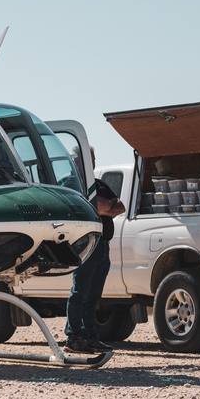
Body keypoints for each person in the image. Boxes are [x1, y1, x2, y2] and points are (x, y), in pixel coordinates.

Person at [64, 148, 125, 354]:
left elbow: (119, 206)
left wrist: (105, 205)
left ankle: (90, 337)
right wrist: (103, 205)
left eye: (93, 159)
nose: (92, 163)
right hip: (85, 244)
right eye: (87, 160)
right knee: (80, 292)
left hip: (103, 245)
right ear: (75, 160)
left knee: (93, 295)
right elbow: (96, 206)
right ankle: (73, 336)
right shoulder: (71, 184)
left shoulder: (97, 185)